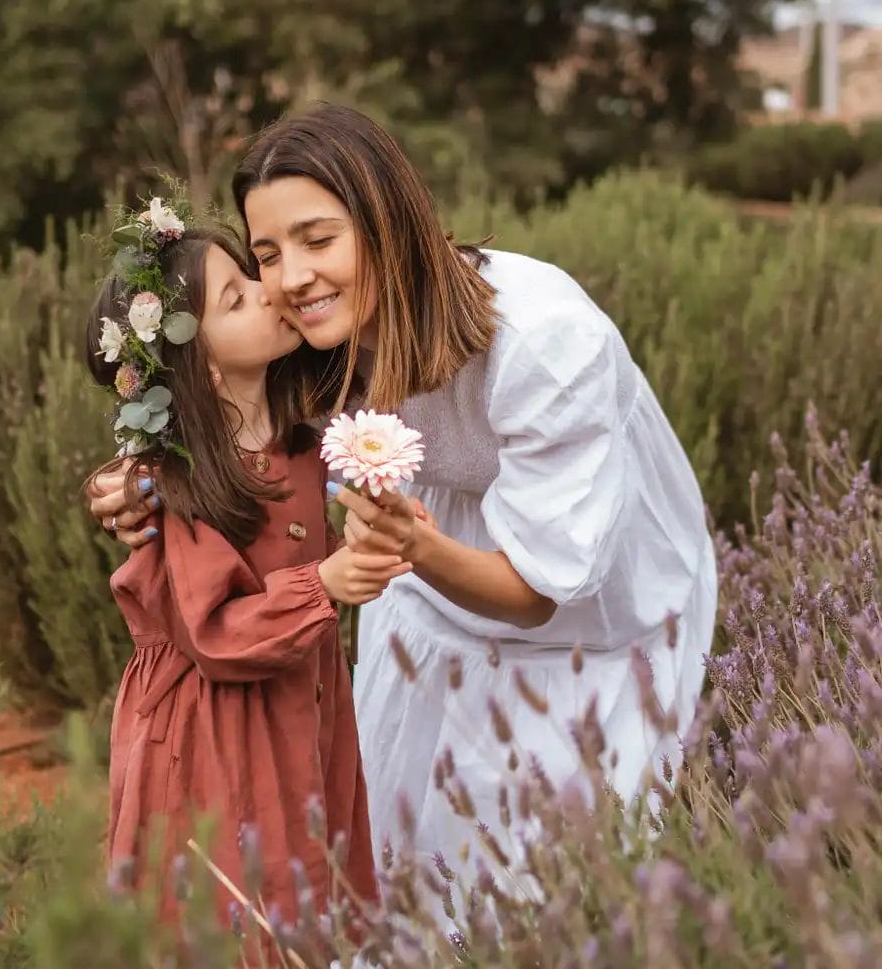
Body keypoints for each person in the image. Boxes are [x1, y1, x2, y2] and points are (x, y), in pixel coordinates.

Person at [90, 105, 717, 877]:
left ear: (387, 220)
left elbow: (535, 594)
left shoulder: (546, 345)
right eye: (267, 255)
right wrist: (135, 475)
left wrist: (413, 546)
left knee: (548, 879)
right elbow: (216, 408)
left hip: (572, 599)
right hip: (423, 591)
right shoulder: (315, 335)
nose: (290, 279)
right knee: (406, 865)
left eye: (319, 240)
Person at [85, 205, 393, 927]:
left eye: (250, 278)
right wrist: (323, 584)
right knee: (233, 897)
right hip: (211, 726)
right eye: (237, 296)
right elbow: (211, 631)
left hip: (293, 699)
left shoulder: (299, 437)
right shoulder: (177, 481)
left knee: (305, 877)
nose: (268, 290)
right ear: (199, 362)